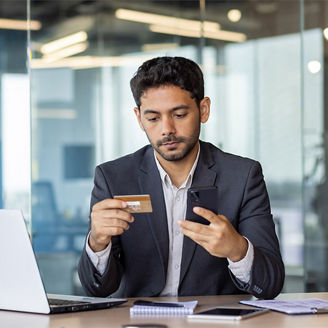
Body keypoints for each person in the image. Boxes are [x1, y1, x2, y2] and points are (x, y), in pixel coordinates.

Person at [78, 56, 284, 299]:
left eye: (179, 115)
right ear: (139, 118)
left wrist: (238, 250)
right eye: (153, 118)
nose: (166, 129)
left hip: (211, 322)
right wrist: (98, 241)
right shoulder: (113, 177)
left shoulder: (242, 176)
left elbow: (270, 284)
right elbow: (96, 289)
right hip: (137, 322)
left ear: (203, 109)